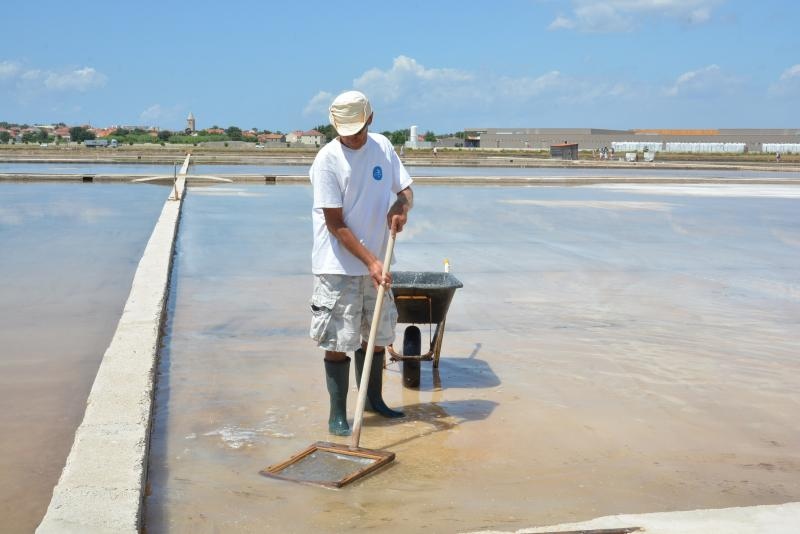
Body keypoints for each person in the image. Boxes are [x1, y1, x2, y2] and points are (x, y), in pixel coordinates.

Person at [309, 90, 414, 436]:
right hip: (338, 267)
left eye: (356, 127)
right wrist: (369, 260)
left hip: (378, 263)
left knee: (377, 338)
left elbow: (406, 190)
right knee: (339, 341)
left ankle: (373, 401)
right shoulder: (327, 160)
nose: (351, 135)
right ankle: (338, 414)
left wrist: (402, 207)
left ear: (370, 118)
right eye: (344, 129)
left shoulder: (383, 147)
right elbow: (335, 224)